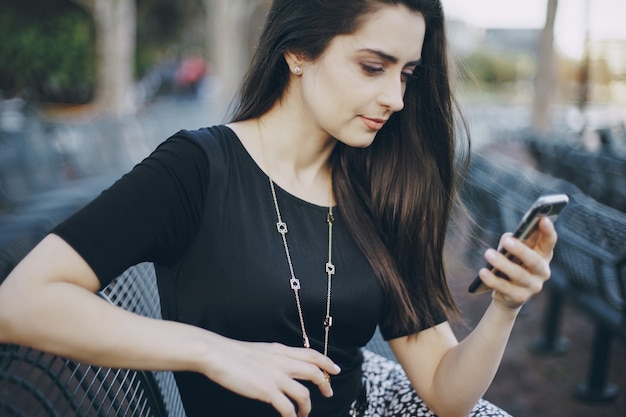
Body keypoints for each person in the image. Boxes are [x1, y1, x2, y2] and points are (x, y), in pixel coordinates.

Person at [0, 1, 558, 416]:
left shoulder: (382, 187)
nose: (397, 98)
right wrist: (212, 352)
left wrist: (506, 307)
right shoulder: (198, 168)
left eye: (407, 74)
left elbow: (445, 390)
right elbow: (20, 302)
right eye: (372, 66)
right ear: (297, 51)